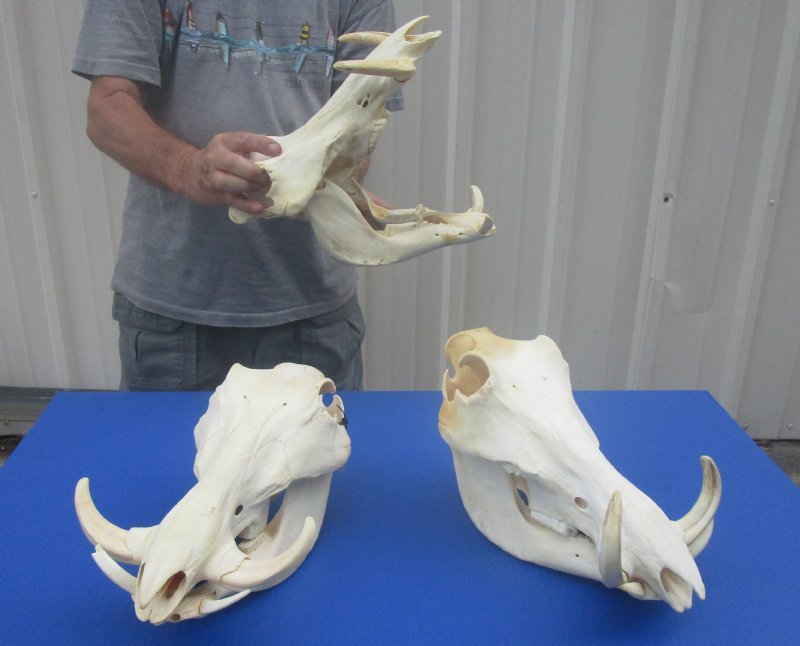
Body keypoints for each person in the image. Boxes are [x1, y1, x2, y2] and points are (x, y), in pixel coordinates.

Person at [72, 1, 401, 391]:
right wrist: (187, 167)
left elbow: (361, 122)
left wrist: (325, 182)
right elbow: (107, 108)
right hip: (173, 314)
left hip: (313, 310)